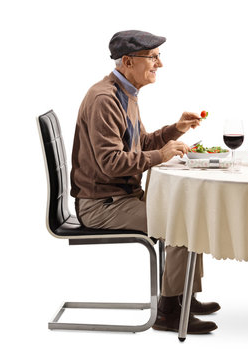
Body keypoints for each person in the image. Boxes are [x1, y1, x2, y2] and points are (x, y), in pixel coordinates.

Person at [70, 30, 219, 334]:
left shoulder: (123, 93)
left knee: (190, 211)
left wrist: (175, 129)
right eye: (152, 57)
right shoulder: (104, 99)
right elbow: (111, 163)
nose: (159, 64)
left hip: (121, 197)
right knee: (181, 221)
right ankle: (169, 310)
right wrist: (162, 156)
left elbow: (140, 143)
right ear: (127, 61)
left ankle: (182, 296)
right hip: (102, 205)